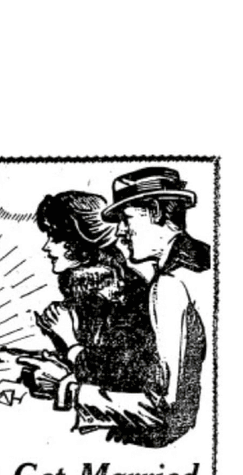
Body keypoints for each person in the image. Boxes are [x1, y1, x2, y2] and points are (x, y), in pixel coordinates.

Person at [25, 167, 210, 446]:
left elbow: (163, 409)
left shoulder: (171, 285)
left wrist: (67, 383)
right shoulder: (201, 264)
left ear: (155, 212)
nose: (120, 232)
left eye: (126, 219)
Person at [24, 191, 158, 403]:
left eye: (56, 237)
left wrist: (68, 340)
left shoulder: (127, 293)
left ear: (83, 243)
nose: (47, 246)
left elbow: (124, 377)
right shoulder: (80, 288)